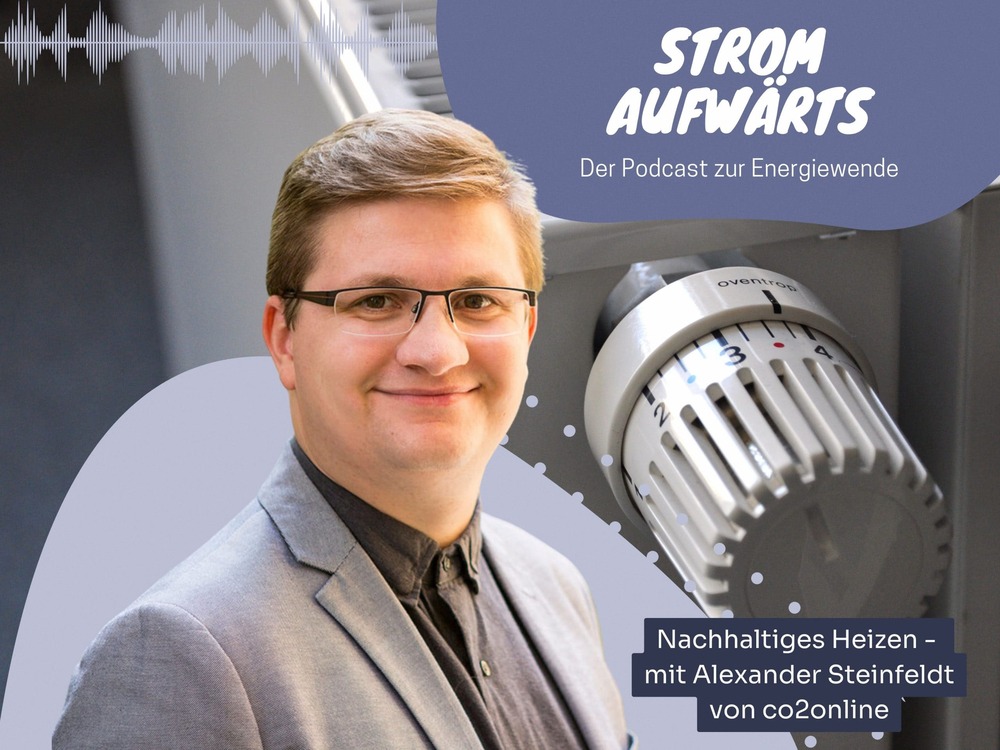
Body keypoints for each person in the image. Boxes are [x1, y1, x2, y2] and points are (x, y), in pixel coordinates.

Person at [53, 109, 632, 749]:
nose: (438, 352)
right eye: (376, 301)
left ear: (526, 329)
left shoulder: (557, 586)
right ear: (284, 339)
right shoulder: (178, 657)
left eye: (477, 301)